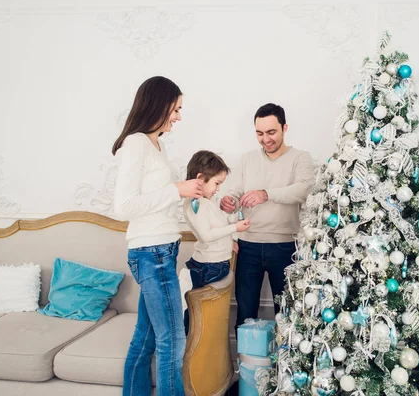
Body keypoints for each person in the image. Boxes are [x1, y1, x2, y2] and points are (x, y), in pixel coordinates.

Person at [112, 76, 201, 396]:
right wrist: (176, 189)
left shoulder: (156, 144)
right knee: (172, 342)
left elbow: (160, 200)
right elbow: (124, 207)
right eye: (175, 108)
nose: (178, 116)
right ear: (159, 105)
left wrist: (188, 194)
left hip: (162, 248)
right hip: (151, 252)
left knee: (147, 338)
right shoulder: (136, 143)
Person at [220, 103, 315, 330]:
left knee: (287, 313)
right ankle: (244, 365)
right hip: (248, 246)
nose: (266, 139)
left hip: (284, 247)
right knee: (245, 312)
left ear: (284, 128)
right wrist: (229, 202)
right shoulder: (247, 158)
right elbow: (235, 192)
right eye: (260, 134)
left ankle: (285, 365)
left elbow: (303, 190)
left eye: (271, 132)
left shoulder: (300, 158)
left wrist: (266, 194)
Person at [182, 150, 250, 335]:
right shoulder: (195, 204)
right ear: (200, 178)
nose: (218, 188)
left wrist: (239, 214)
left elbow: (222, 221)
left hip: (216, 263)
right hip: (209, 266)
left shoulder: (209, 201)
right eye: (217, 183)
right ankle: (191, 346)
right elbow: (207, 235)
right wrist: (235, 228)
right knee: (201, 315)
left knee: (208, 314)